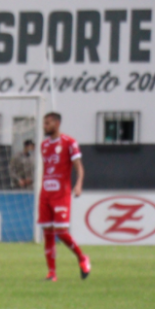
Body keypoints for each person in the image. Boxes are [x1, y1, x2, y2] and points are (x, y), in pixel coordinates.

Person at [39, 112, 90, 281]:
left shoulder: (69, 142)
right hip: (45, 193)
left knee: (60, 232)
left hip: (61, 194)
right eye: (44, 123)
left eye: (47, 123)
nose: (44, 126)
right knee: (47, 232)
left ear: (56, 124)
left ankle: (82, 258)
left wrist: (79, 183)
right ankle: (52, 272)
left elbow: (79, 167)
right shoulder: (44, 145)